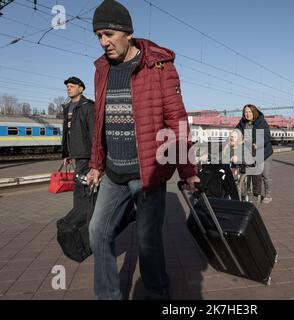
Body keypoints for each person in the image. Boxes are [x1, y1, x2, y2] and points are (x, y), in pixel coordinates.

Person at [86, 0, 199, 300]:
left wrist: (188, 170)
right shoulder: (101, 70)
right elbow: (101, 120)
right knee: (98, 232)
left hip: (147, 173)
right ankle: (108, 296)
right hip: (113, 172)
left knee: (148, 243)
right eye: (98, 35)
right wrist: (96, 164)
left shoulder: (159, 65)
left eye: (108, 34)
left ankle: (158, 292)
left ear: (126, 32)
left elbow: (177, 119)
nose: (103, 42)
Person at [61, 76, 95, 207]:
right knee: (81, 184)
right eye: (67, 87)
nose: (68, 89)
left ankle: (79, 215)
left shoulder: (88, 106)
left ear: (80, 89)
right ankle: (82, 212)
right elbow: (68, 132)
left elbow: (93, 132)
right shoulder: (67, 107)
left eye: (72, 86)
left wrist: (95, 156)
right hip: (75, 152)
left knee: (80, 185)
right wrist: (67, 154)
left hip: (85, 153)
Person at [236, 104, 273, 204]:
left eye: (249, 112)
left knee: (265, 175)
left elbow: (266, 135)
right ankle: (248, 192)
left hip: (264, 152)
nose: (247, 114)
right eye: (245, 112)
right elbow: (236, 131)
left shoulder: (261, 121)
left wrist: (258, 144)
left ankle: (268, 195)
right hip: (250, 152)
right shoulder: (242, 123)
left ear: (254, 112)